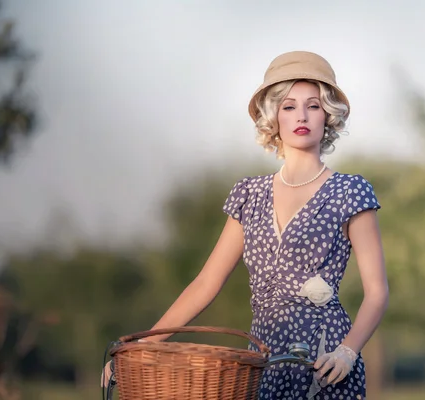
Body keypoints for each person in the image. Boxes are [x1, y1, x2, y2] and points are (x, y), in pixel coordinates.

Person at [102, 51, 389, 399]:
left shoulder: (350, 191)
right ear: (273, 116)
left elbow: (377, 292)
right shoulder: (248, 195)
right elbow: (206, 283)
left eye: (313, 105)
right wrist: (143, 345)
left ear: (327, 114)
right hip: (263, 360)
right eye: (288, 106)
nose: (301, 115)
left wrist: (348, 351)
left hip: (326, 362)